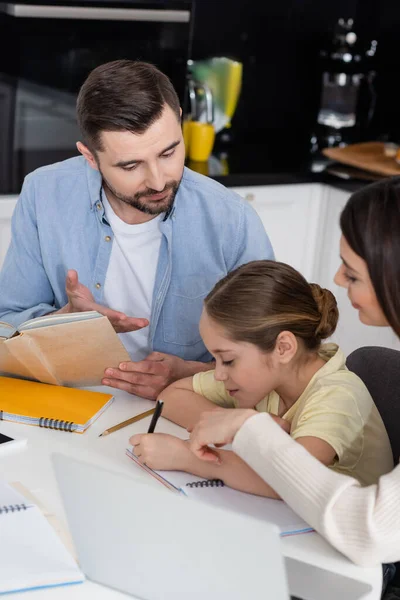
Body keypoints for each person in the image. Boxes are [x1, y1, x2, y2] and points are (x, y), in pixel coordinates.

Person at [0, 60, 274, 399]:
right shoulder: (44, 194)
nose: (158, 180)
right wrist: (65, 320)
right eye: (130, 165)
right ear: (90, 157)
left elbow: (274, 355)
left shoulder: (231, 220)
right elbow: (6, 325)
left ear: (180, 120)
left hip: (187, 405)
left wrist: (187, 376)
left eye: (169, 152)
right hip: (71, 398)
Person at [188, 177, 400, 569]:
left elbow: (368, 532)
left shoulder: (335, 393)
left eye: (351, 271)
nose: (336, 279)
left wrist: (248, 428)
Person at [130, 260, 393, 497]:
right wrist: (242, 425)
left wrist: (188, 457)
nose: (219, 373)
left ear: (283, 348)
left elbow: (292, 481)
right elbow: (172, 396)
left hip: (332, 545)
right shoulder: (271, 377)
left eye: (229, 360)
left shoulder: (338, 396)